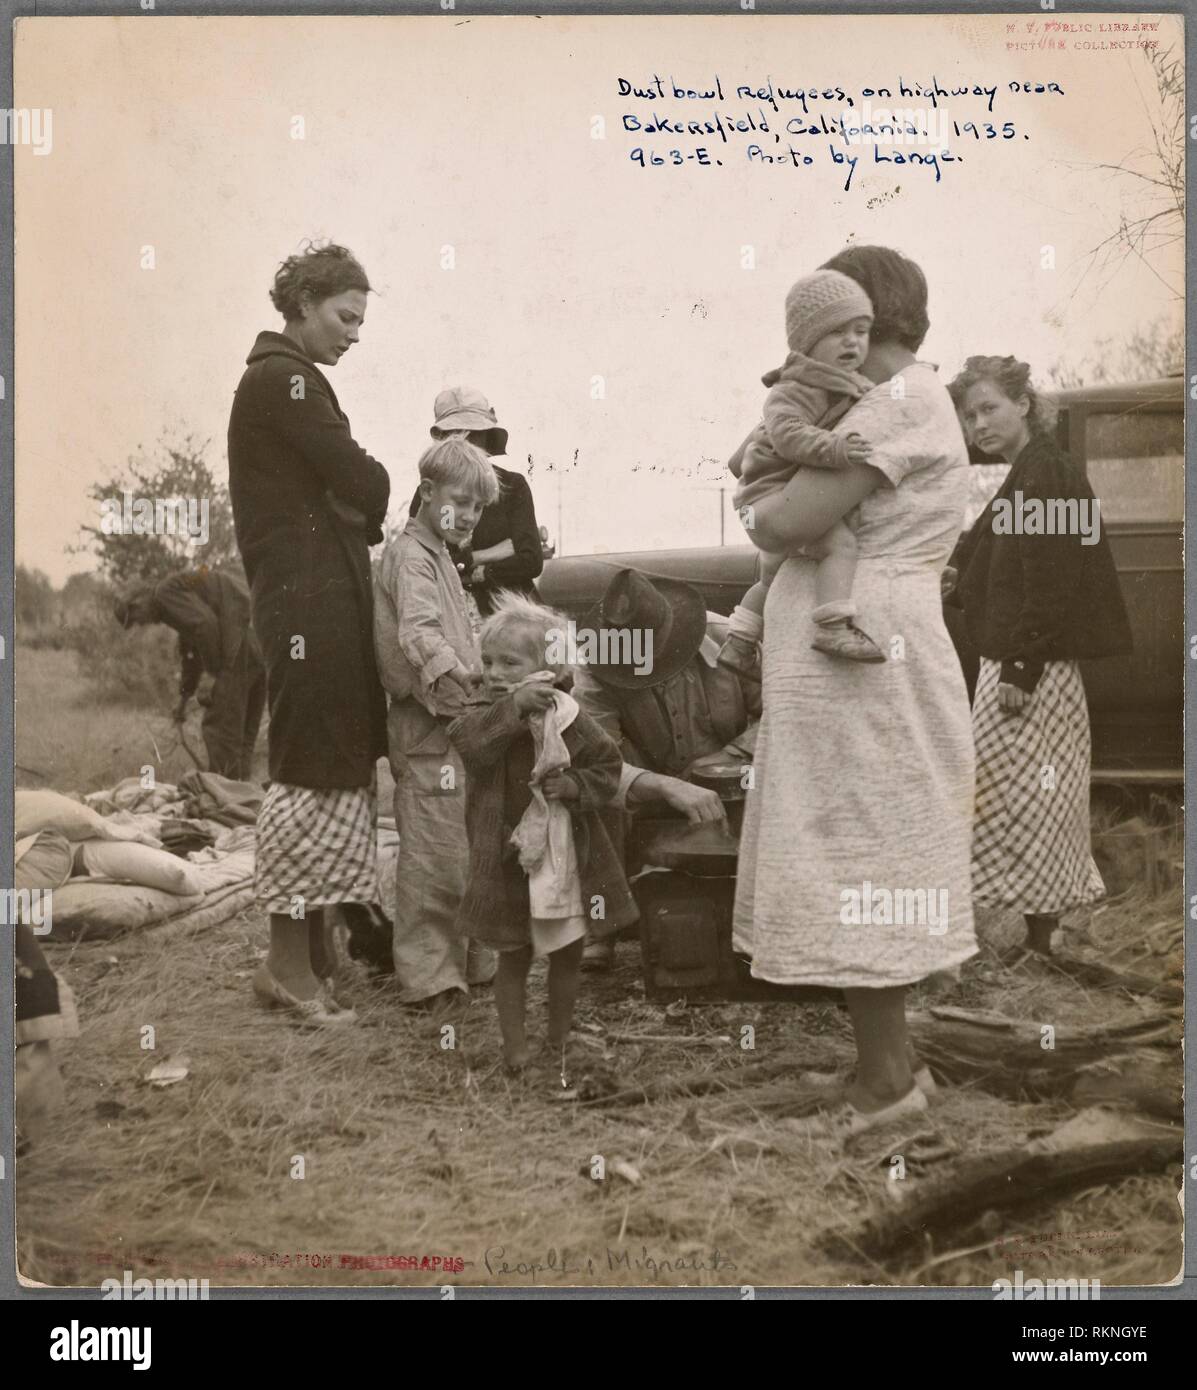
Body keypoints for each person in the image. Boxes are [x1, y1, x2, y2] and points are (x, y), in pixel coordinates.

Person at [730, 245, 977, 1136]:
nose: (827, 344)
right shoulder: (882, 403)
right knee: (854, 840)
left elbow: (787, 518)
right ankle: (881, 1067)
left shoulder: (902, 399)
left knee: (863, 846)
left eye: (840, 324)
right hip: (852, 651)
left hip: (865, 655)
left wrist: (758, 510)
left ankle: (889, 1081)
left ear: (866, 317)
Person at [227, 241, 391, 1026]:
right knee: (309, 771)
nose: (354, 333)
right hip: (304, 606)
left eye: (361, 320)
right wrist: (358, 499)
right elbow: (364, 482)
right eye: (344, 316)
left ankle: (313, 956)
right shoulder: (284, 379)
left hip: (312, 599)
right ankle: (287, 968)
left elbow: (350, 498)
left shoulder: (287, 381)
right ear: (302, 303)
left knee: (330, 759)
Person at [945, 355, 1132, 958]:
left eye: (989, 408)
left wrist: (1022, 668)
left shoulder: (1046, 473)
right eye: (970, 415)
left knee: (1032, 800)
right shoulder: (1027, 472)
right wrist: (958, 576)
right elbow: (997, 551)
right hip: (1021, 662)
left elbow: (1051, 579)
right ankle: (1038, 937)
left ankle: (1044, 939)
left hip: (1034, 670)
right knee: (1018, 799)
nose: (978, 424)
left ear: (1023, 404)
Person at [449, 596, 636, 1086]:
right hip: (508, 862)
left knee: (567, 952)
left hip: (562, 862)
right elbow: (469, 744)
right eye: (488, 662)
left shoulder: (570, 717)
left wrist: (574, 786)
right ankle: (515, 1049)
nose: (493, 673)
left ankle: (557, 1040)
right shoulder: (483, 712)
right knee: (512, 955)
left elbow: (608, 765)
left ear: (549, 670)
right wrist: (511, 707)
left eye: (511, 663)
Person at [571, 568, 761, 970]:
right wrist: (660, 785)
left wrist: (729, 759)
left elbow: (783, 713)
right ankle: (603, 923)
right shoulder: (594, 664)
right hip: (648, 795)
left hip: (739, 782)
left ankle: (775, 911)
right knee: (585, 788)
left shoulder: (730, 638)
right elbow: (591, 755)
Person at [373, 436, 500, 1014]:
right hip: (427, 726)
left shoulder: (442, 555)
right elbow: (420, 634)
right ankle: (429, 979)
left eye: (478, 507)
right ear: (427, 492)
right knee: (432, 853)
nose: (470, 516)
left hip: (456, 723)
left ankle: (472, 963)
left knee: (468, 846)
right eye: (461, 502)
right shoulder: (411, 556)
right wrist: (461, 684)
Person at [721, 269, 882, 674]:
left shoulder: (835, 383)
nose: (852, 341)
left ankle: (738, 641)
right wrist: (836, 449)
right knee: (840, 546)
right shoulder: (795, 389)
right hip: (767, 500)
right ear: (808, 342)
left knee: (772, 572)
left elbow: (737, 460)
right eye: (837, 332)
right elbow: (791, 435)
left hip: (768, 496)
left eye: (861, 331)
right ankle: (832, 624)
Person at [114, 567, 266, 780]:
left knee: (220, 732)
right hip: (260, 643)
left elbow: (205, 625)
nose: (143, 624)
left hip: (238, 646)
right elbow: (191, 653)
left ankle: (227, 799)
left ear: (137, 603)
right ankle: (243, 803)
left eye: (137, 619)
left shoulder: (164, 594)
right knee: (241, 738)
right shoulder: (176, 602)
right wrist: (184, 700)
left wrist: (211, 675)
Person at [407, 387, 544, 617]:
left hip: (513, 615)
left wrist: (475, 561)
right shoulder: (431, 494)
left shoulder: (512, 486)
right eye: (456, 433)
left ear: (486, 436)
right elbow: (439, 558)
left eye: (474, 433)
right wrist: (499, 552)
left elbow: (530, 560)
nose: (466, 442)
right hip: (453, 615)